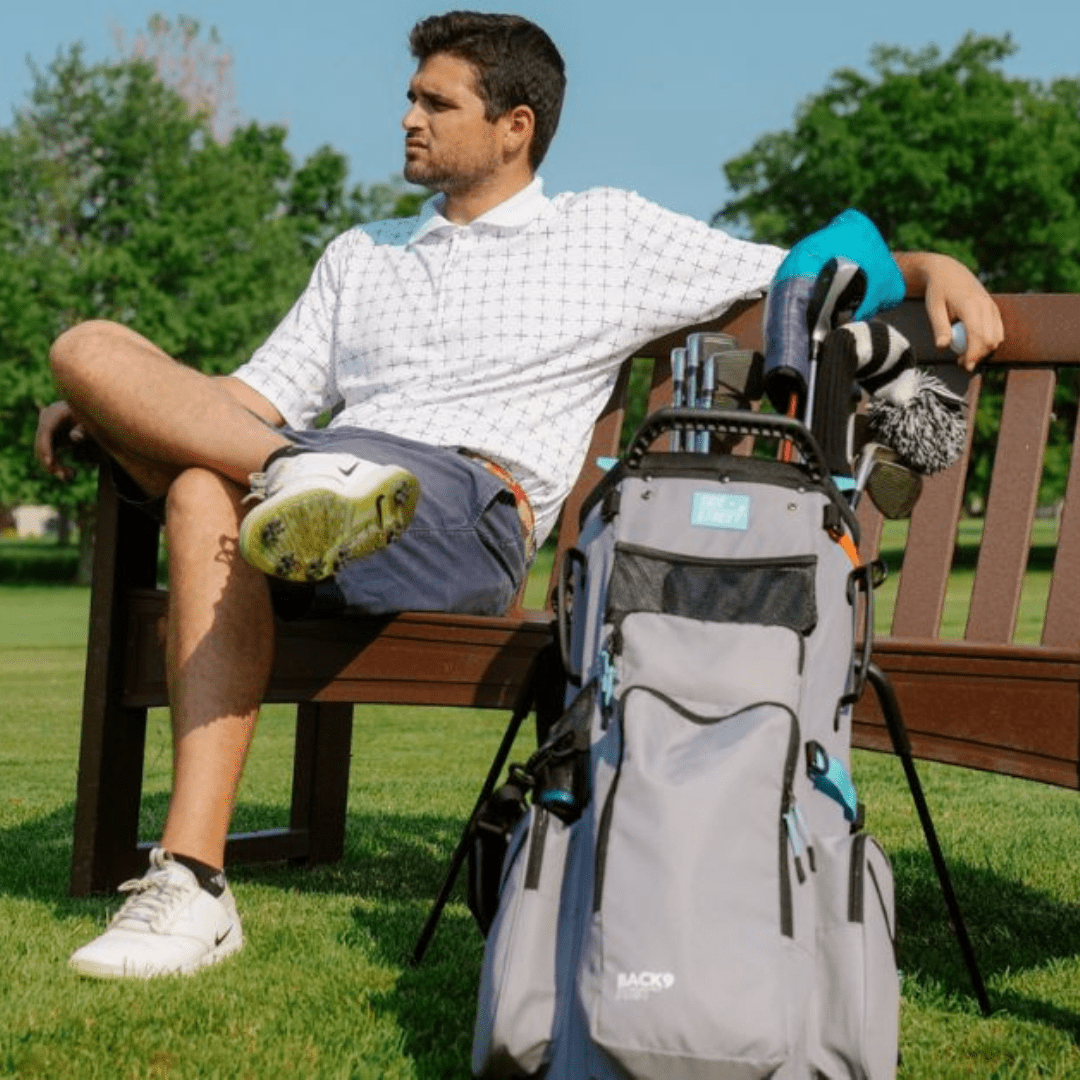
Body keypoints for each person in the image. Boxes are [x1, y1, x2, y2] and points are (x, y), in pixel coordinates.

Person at [36, 11, 1004, 979]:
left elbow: (802, 272)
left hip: (464, 504)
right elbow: (250, 396)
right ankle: (196, 879)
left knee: (203, 481)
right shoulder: (360, 252)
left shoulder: (608, 232)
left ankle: (195, 865)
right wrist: (109, 398)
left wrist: (934, 267)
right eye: (410, 97)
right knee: (94, 353)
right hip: (308, 475)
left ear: (516, 126)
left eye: (435, 102)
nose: (408, 117)